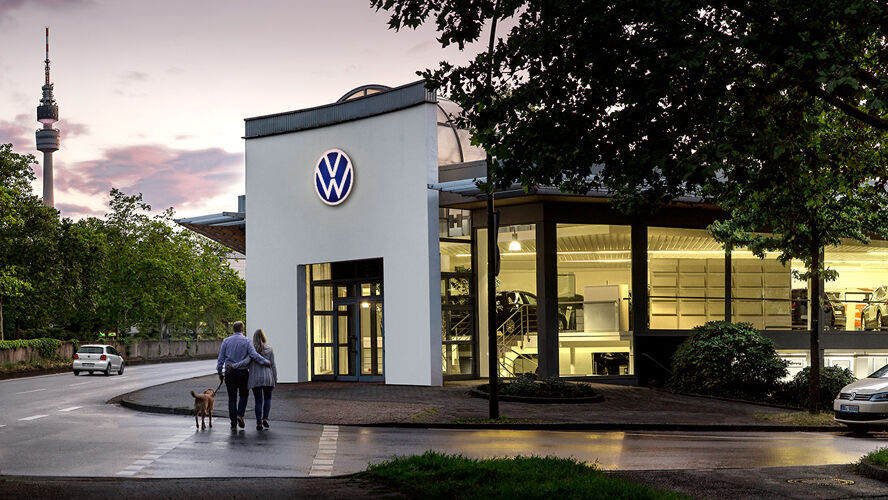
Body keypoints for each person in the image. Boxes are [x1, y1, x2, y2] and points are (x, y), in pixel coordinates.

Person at [216, 321, 269, 430]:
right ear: (242, 329)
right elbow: (254, 355)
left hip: (230, 372)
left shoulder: (226, 341)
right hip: (242, 373)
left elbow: (221, 358)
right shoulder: (247, 341)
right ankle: (240, 415)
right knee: (243, 395)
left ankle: (233, 424)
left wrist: (220, 372)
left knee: (232, 398)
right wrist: (265, 362)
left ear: (233, 330)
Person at [229, 329, 277, 431]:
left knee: (258, 401)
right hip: (268, 377)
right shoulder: (269, 349)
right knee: (268, 399)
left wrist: (233, 366)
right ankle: (265, 418)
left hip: (255, 379)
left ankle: (259, 423)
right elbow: (273, 365)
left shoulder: (251, 350)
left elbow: (245, 362)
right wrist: (275, 378)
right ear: (264, 337)